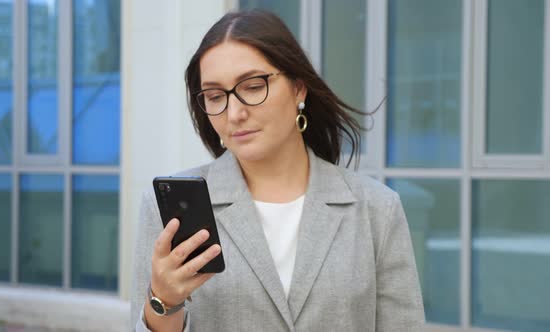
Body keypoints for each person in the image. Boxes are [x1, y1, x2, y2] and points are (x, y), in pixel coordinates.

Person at [131, 10, 424, 332]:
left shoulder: (376, 209)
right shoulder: (166, 209)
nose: (235, 112)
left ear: (298, 88)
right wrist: (163, 301)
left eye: (254, 87)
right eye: (215, 96)